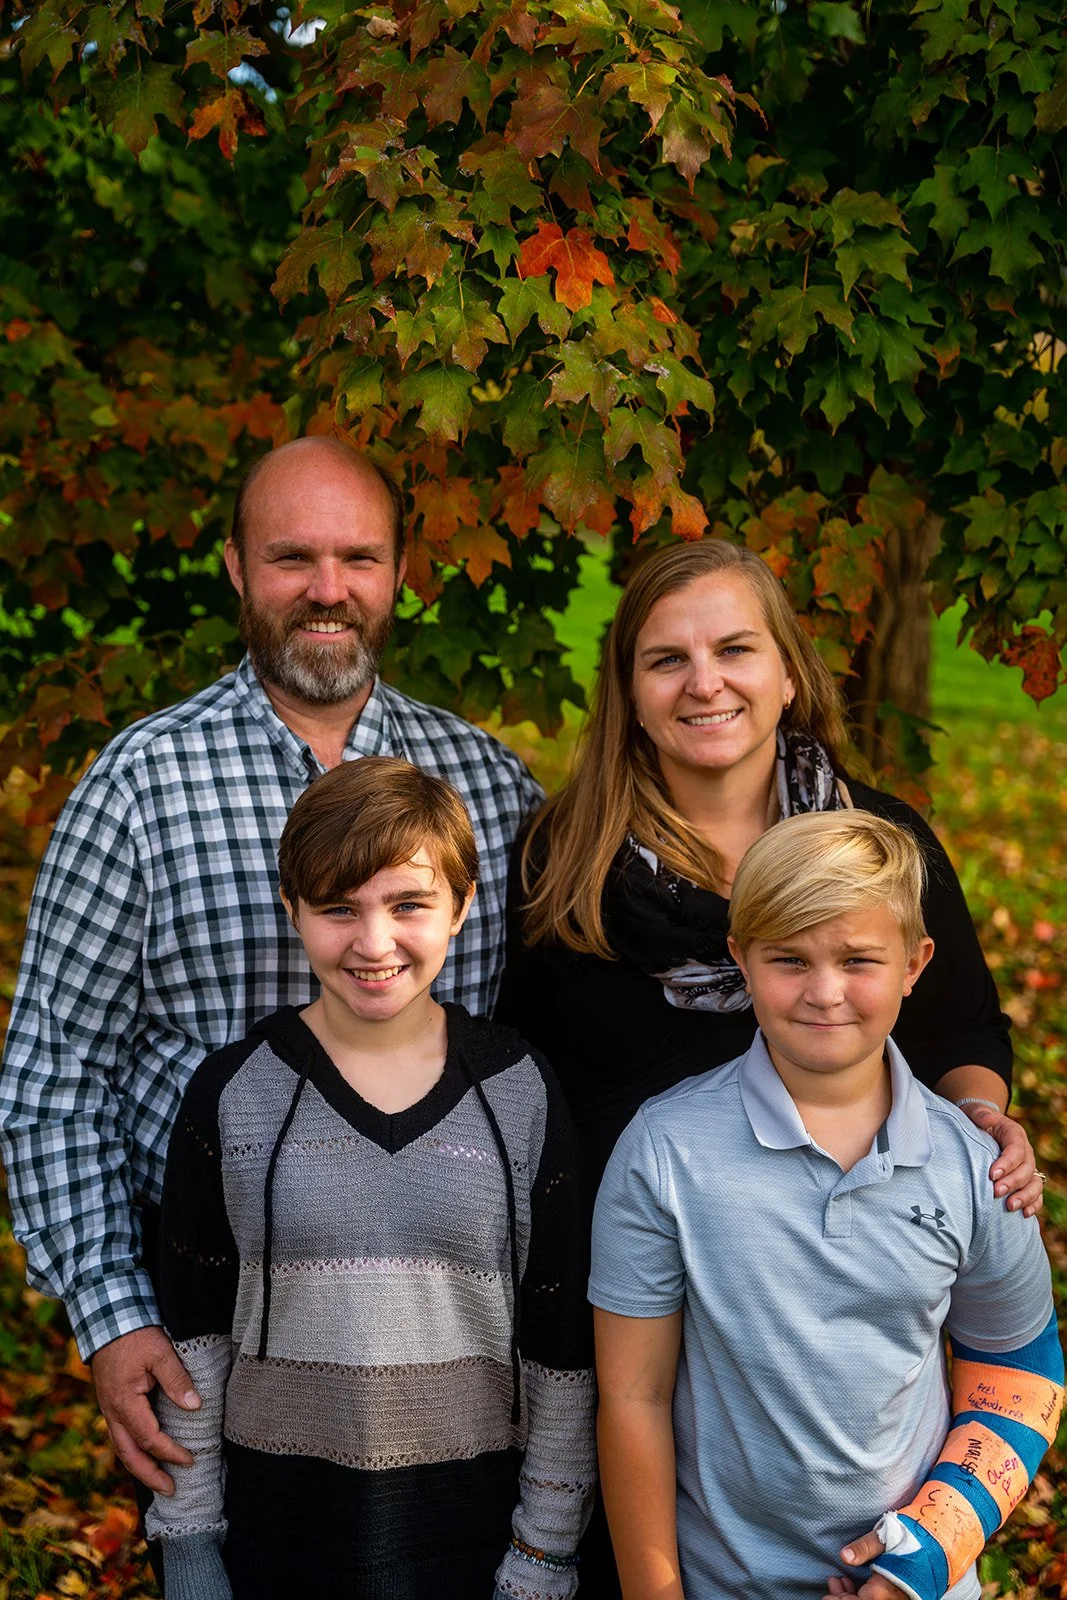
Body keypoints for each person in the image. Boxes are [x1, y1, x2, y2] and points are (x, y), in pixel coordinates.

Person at [0, 436, 542, 1503]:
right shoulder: (141, 785)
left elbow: (557, 1041)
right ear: (239, 569)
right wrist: (115, 1316)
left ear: (400, 572)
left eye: (359, 558)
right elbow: (51, 1083)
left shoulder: (484, 782)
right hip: (216, 1326)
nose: (328, 590)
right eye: (293, 557)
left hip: (453, 1325)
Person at [145, 756, 595, 1600]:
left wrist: (543, 1554)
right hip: (273, 1540)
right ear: (293, 910)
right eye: (337, 910)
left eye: (409, 905)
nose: (373, 942)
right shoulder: (235, 1092)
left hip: (474, 1539)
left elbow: (560, 1348)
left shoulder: (517, 1089)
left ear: (462, 907)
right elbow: (193, 1342)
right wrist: (191, 1546)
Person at [590, 810, 1063, 1600]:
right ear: (740, 958)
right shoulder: (663, 1151)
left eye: (857, 959)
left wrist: (920, 1559)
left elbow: (1018, 1374)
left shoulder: (976, 1167)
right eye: (789, 959)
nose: (823, 992)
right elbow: (633, 1397)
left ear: (915, 964)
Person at [497, 540, 1040, 1206]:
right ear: (631, 695)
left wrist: (979, 1117)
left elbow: (961, 1028)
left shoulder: (875, 845)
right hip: (633, 1254)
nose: (703, 683)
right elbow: (519, 1070)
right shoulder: (563, 858)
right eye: (668, 660)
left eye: (734, 650)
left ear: (787, 676)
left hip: (849, 1239)